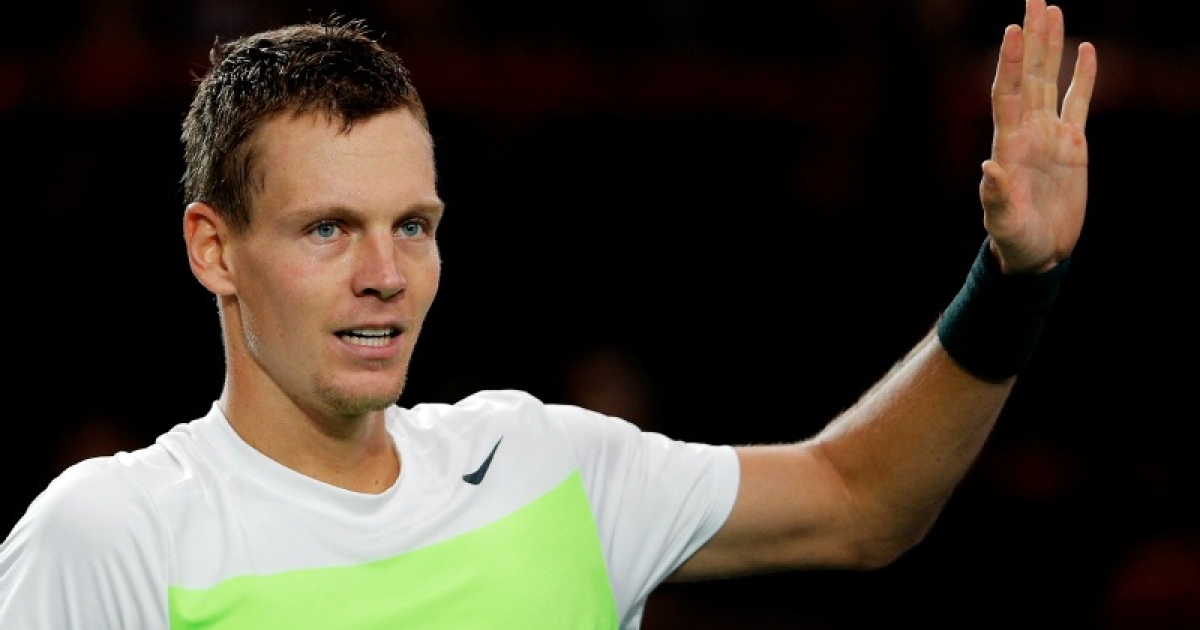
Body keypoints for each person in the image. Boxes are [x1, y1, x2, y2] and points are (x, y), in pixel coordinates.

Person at [0, 1, 1097, 627]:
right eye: (326, 228)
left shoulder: (547, 466)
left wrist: (1014, 280)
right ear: (214, 249)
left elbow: (863, 500)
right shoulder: (111, 534)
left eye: (413, 225)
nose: (385, 274)